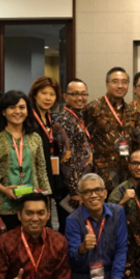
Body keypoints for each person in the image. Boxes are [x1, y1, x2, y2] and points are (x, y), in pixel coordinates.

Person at [0, 90, 51, 230]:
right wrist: (5, 190)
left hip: (33, 204)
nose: (17, 111)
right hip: (2, 203)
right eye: (12, 107)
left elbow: (41, 170)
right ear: (3, 112)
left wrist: (46, 199)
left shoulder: (35, 138)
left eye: (22, 107)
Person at [65, 174, 129, 279]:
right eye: (87, 192)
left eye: (98, 190)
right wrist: (82, 249)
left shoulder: (118, 212)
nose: (94, 195)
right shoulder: (72, 220)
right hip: (84, 277)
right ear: (80, 196)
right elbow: (72, 261)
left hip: (108, 275)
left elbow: (121, 249)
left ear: (105, 193)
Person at [86, 67, 140, 192]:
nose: (120, 86)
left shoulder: (132, 111)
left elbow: (138, 142)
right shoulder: (93, 108)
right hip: (102, 175)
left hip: (127, 174)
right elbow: (84, 142)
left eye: (124, 82)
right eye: (115, 81)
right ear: (107, 84)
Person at [53, 78, 94, 214]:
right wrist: (74, 191)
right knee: (70, 226)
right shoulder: (63, 120)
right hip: (71, 188)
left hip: (81, 182)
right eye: (75, 94)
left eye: (83, 94)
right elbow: (66, 158)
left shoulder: (79, 116)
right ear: (65, 96)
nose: (80, 98)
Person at [28, 76, 64, 225]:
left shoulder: (51, 118)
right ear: (35, 94)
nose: (48, 98)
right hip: (35, 175)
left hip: (51, 171)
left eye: (52, 94)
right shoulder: (28, 118)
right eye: (44, 93)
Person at [107, 149, 140, 215]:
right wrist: (123, 202)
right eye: (135, 163)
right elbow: (110, 219)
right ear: (129, 166)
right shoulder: (119, 192)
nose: (139, 167)